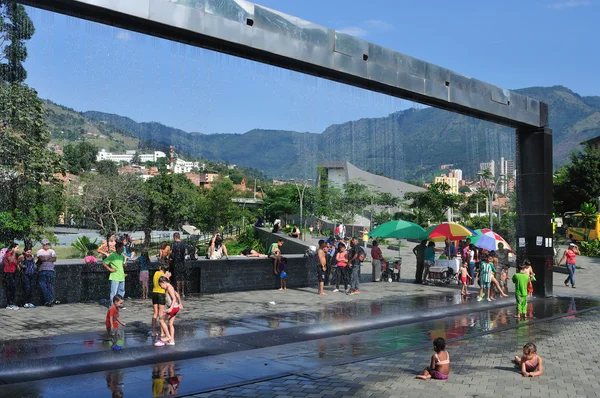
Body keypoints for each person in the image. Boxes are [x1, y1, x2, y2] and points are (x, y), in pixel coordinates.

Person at [154, 276, 183, 347]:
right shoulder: (169, 287)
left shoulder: (169, 288)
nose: (161, 287)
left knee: (161, 320)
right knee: (170, 324)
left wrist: (171, 308)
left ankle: (167, 336)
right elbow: (177, 295)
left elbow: (174, 298)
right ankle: (172, 341)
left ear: (163, 282)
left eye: (161, 285)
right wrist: (180, 303)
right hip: (175, 308)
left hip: (173, 308)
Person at [152, 264, 171, 339]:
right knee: (161, 313)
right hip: (161, 294)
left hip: (154, 293)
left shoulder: (156, 273)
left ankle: (153, 331)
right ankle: (162, 332)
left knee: (155, 313)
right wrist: (168, 277)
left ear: (160, 268)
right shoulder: (163, 275)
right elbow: (167, 285)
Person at [37, 239, 57, 307]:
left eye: (48, 244)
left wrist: (46, 259)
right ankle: (48, 299)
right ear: (42, 245)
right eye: (45, 244)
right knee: (43, 286)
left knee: (50, 286)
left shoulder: (52, 251)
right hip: (42, 270)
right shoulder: (39, 251)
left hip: (50, 270)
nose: (46, 246)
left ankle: (50, 300)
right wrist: (49, 258)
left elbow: (54, 259)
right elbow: (41, 258)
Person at [170, 232, 187, 298]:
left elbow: (173, 255)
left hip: (176, 263)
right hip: (182, 262)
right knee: (182, 278)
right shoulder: (183, 244)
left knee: (177, 278)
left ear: (175, 237)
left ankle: (178, 292)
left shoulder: (174, 244)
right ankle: (183, 293)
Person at [3, 243, 20, 310]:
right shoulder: (9, 253)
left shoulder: (14, 255)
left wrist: (18, 265)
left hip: (13, 273)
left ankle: (11, 303)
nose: (18, 249)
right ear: (13, 248)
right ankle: (9, 304)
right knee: (10, 289)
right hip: (8, 273)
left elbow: (15, 262)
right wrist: (13, 253)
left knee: (13, 289)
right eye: (17, 248)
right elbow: (10, 260)